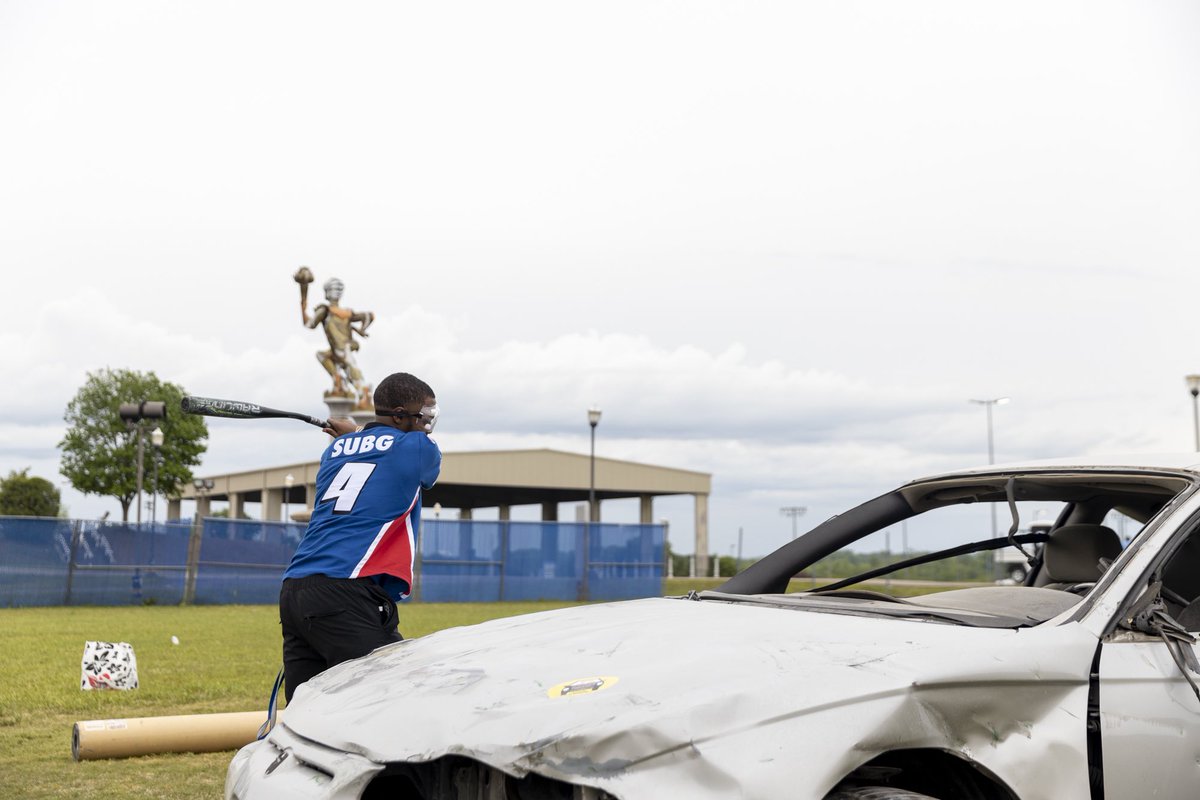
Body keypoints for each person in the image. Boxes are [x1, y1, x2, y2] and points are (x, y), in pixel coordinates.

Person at [278, 372, 442, 701]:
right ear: (399, 415)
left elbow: (370, 448)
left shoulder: (334, 452)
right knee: (384, 700)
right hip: (346, 588)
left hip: (295, 588)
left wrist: (354, 435)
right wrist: (356, 432)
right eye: (424, 416)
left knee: (306, 711)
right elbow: (422, 468)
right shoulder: (419, 448)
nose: (427, 426)